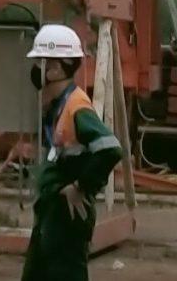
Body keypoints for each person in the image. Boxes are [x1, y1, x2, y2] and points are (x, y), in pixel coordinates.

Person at [22, 22, 123, 281]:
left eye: (41, 63)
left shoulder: (77, 106)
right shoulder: (60, 104)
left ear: (55, 68)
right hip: (52, 209)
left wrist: (80, 186)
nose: (36, 70)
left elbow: (110, 148)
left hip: (66, 216)